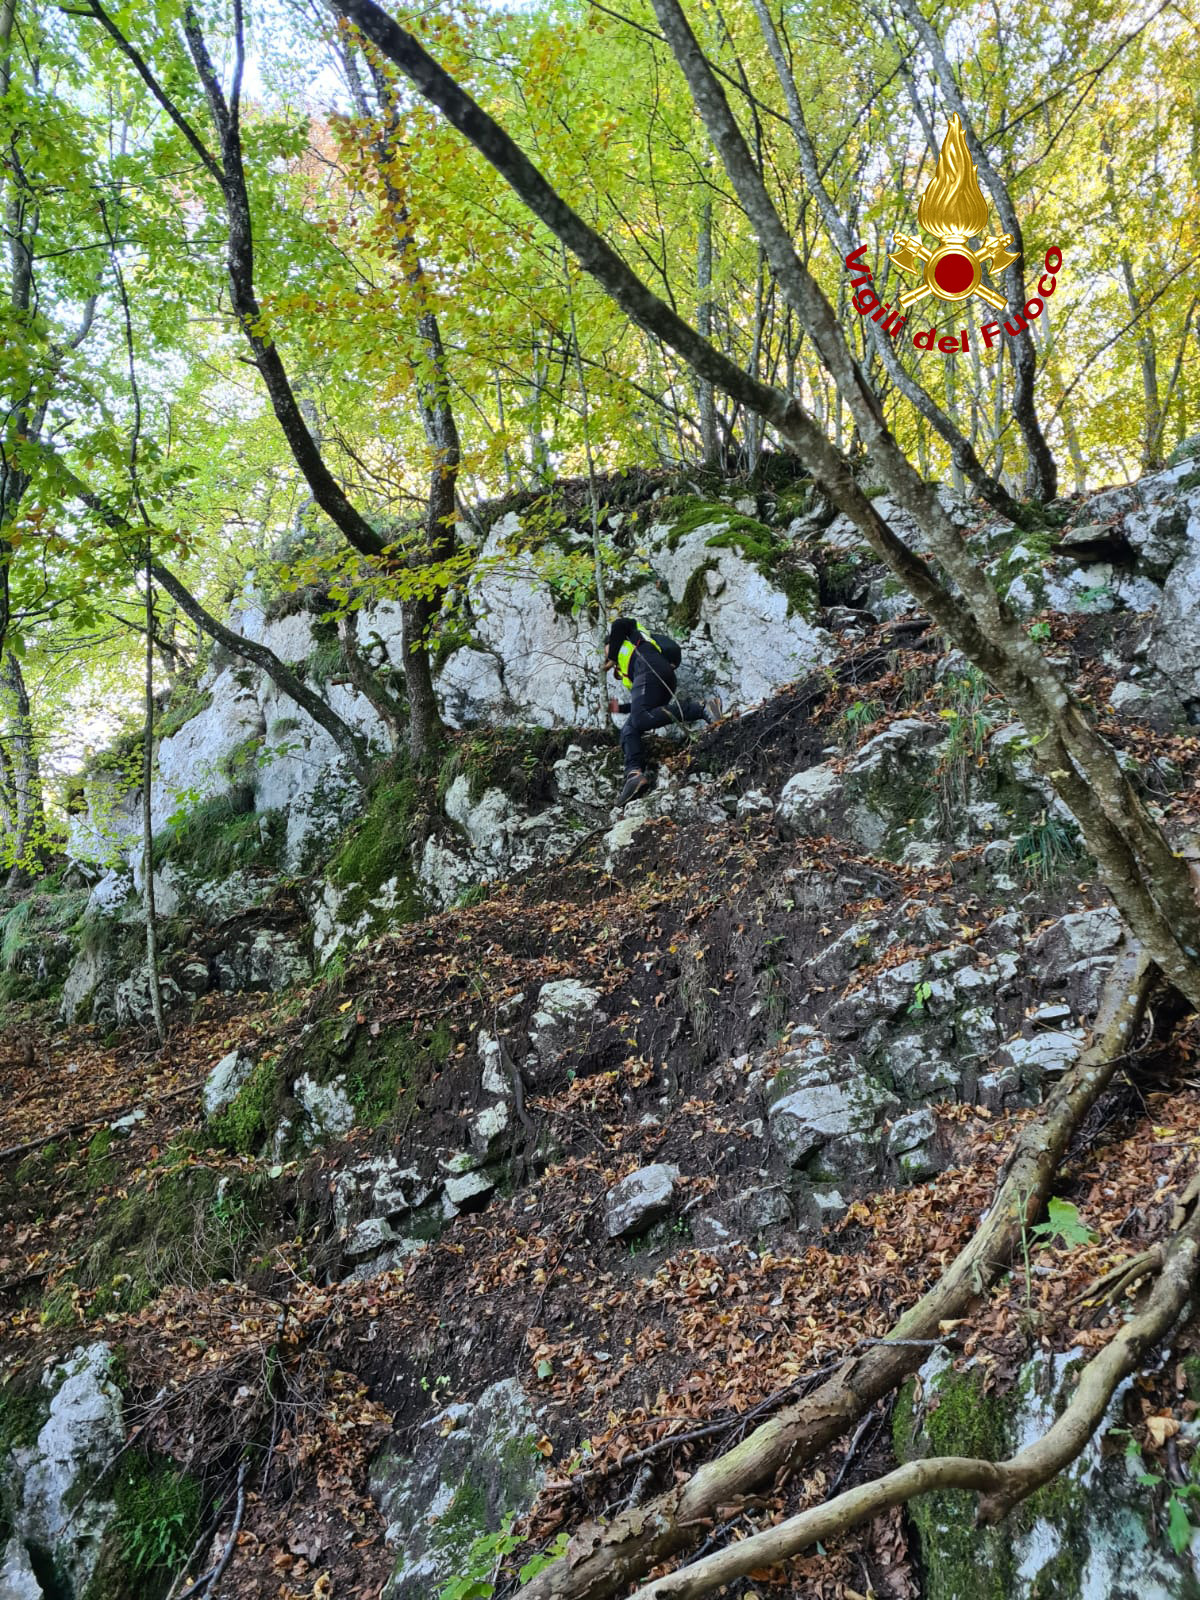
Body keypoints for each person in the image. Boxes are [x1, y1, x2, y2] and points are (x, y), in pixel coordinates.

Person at [604, 618, 722, 806]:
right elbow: (639, 704)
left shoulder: (630, 637)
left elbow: (619, 623)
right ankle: (633, 774)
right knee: (630, 729)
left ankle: (701, 707)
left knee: (641, 718)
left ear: (612, 643)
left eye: (606, 649)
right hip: (655, 679)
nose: (607, 656)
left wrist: (611, 657)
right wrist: (617, 708)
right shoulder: (628, 665)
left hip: (650, 669)